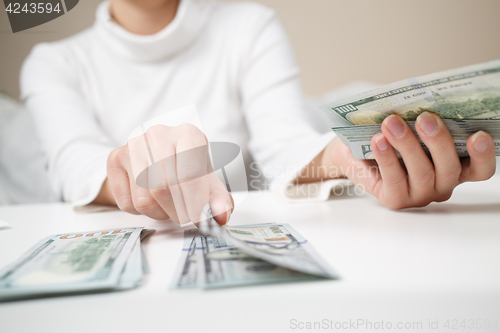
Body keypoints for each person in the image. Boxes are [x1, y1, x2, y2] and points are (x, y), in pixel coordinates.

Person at [20, 0, 496, 225]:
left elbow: (285, 148)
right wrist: (129, 166)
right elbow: (74, 163)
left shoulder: (249, 26)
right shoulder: (52, 63)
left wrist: (351, 160)